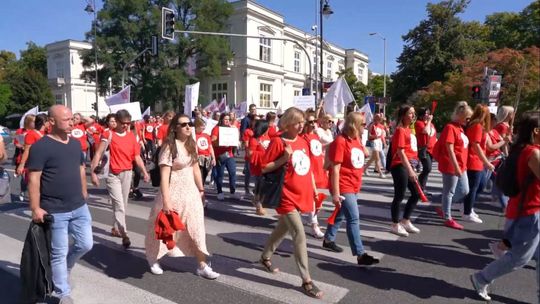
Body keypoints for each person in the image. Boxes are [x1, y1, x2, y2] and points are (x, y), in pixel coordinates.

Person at [470, 111, 540, 303]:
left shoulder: (524, 148)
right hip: (528, 213)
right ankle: (481, 278)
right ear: (536, 130)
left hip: (529, 210)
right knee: (519, 259)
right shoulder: (532, 152)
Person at [26, 105, 93, 304]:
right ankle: (62, 292)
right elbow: (34, 179)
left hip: (79, 205)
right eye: (66, 119)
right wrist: (35, 208)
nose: (71, 122)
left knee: (86, 244)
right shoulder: (41, 147)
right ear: (52, 122)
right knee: (58, 252)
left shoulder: (74, 144)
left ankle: (65, 268)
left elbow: (81, 169)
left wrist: (84, 190)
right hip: (55, 210)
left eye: (72, 118)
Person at [145, 114, 220, 279]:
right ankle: (153, 258)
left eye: (190, 124)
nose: (188, 127)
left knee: (197, 228)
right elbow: (164, 177)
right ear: (175, 128)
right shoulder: (169, 147)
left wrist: (201, 190)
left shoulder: (191, 144)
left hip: (190, 192)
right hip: (172, 192)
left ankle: (202, 265)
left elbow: (195, 168)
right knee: (165, 229)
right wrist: (166, 200)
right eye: (184, 124)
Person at [260, 107, 323, 299]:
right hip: (285, 195)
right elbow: (264, 167)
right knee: (299, 233)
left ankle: (265, 257)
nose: (302, 125)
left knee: (282, 229)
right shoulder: (278, 142)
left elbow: (308, 167)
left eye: (303, 121)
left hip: (301, 193)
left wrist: (313, 188)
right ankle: (307, 280)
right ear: (287, 123)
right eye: (298, 122)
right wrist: (284, 158)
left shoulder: (303, 140)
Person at [322, 112, 380, 265]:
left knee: (341, 214)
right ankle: (360, 254)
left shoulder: (356, 139)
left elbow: (366, 154)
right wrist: (335, 193)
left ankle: (328, 239)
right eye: (362, 124)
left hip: (354, 184)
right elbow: (335, 169)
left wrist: (361, 142)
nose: (365, 126)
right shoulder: (340, 141)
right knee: (353, 218)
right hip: (343, 185)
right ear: (354, 125)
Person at [91, 110, 149, 248]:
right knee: (119, 205)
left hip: (127, 174)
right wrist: (93, 173)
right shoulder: (109, 134)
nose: (126, 126)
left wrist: (144, 172)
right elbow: (98, 153)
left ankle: (115, 227)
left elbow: (136, 156)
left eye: (128, 123)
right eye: (123, 123)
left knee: (123, 204)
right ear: (116, 121)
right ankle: (124, 234)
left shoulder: (131, 137)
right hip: (113, 175)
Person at [436, 101, 472, 230]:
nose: (469, 120)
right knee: (449, 192)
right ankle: (447, 217)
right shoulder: (450, 127)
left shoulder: (460, 128)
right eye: (467, 117)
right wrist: (456, 166)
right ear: (460, 116)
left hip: (461, 165)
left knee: (464, 190)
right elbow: (449, 148)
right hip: (451, 165)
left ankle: (444, 207)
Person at [388, 104, 422, 237]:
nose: (413, 115)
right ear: (403, 115)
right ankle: (395, 224)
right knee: (399, 196)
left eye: (414, 113)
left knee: (416, 194)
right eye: (410, 113)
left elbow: (412, 150)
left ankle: (405, 220)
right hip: (400, 166)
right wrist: (410, 170)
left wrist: (416, 166)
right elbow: (400, 152)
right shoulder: (400, 130)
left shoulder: (410, 130)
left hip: (410, 165)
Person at [463, 105, 496, 223]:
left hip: (477, 160)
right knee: (474, 187)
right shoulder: (477, 126)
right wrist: (486, 162)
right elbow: (476, 145)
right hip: (474, 160)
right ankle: (467, 212)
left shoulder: (477, 126)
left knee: (480, 185)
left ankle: (468, 208)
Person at [301, 112, 327, 238]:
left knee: (318, 201)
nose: (313, 124)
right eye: (310, 122)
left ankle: (310, 219)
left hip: (319, 170)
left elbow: (319, 150)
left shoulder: (316, 136)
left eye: (314, 121)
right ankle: (314, 225)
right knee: (313, 200)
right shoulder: (303, 138)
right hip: (309, 171)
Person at [211, 112, 239, 201]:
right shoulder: (216, 128)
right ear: (221, 120)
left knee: (233, 172)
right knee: (220, 174)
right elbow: (212, 141)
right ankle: (220, 192)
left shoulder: (231, 128)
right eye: (225, 119)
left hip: (229, 154)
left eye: (228, 119)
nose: (227, 121)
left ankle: (233, 191)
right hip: (220, 155)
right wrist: (221, 143)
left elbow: (235, 139)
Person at [247, 119, 270, 215]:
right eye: (267, 127)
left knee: (264, 186)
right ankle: (259, 206)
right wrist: (263, 154)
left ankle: (257, 201)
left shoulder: (267, 137)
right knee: (260, 186)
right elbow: (250, 153)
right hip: (258, 166)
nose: (269, 129)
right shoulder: (254, 139)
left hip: (267, 165)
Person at [414, 107, 437, 194]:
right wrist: (429, 122)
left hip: (432, 149)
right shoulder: (419, 123)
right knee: (427, 168)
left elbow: (433, 136)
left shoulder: (431, 125)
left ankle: (422, 188)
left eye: (428, 113)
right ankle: (418, 185)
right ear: (421, 115)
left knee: (427, 170)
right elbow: (425, 131)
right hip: (424, 149)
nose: (428, 115)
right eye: (426, 113)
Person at [14, 115, 34, 202]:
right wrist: (22, 146)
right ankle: (22, 191)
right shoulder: (20, 131)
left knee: (33, 177)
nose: (35, 123)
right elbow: (16, 143)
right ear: (28, 122)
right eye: (33, 121)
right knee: (25, 177)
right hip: (23, 156)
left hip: (34, 156)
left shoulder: (36, 131)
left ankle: (33, 195)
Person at [363, 114, 386, 178]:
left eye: (379, 119)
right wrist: (375, 136)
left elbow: (382, 136)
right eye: (377, 118)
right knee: (377, 158)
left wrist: (384, 143)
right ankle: (380, 173)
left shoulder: (381, 126)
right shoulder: (372, 125)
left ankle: (364, 169)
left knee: (373, 158)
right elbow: (369, 136)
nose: (378, 120)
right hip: (374, 142)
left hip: (379, 142)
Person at [194, 118, 215, 186]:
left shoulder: (206, 135)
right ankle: (199, 190)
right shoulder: (193, 136)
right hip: (199, 158)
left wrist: (213, 158)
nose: (203, 127)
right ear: (197, 126)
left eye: (204, 126)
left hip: (207, 158)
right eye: (202, 126)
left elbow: (210, 147)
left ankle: (201, 187)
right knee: (199, 175)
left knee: (205, 174)